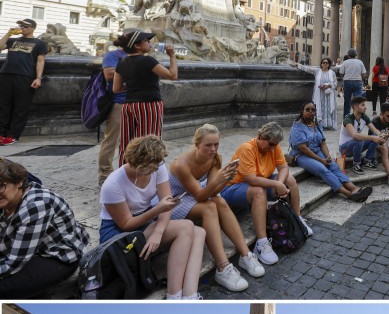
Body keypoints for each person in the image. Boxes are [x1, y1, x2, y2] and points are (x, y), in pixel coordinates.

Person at [100, 134, 205, 300]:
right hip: (117, 233)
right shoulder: (112, 185)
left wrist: (158, 232)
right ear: (141, 164)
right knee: (185, 227)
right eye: (153, 165)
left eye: (159, 163)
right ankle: (174, 295)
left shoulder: (158, 167)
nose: (157, 167)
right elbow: (126, 224)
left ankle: (190, 294)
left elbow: (167, 204)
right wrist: (157, 211)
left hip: (145, 223)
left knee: (199, 232)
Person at [168, 123, 267, 292]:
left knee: (219, 202)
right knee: (209, 208)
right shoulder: (181, 165)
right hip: (175, 201)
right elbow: (200, 196)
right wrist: (218, 179)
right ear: (197, 144)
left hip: (197, 194)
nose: (213, 149)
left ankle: (245, 255)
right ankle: (222, 267)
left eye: (216, 144)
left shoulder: (214, 158)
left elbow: (213, 193)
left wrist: (226, 179)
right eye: (208, 145)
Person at [221, 121, 312, 267]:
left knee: (290, 179)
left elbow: (283, 168)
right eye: (271, 144)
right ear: (261, 137)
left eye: (275, 145)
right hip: (233, 188)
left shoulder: (273, 146)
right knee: (259, 192)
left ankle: (297, 218)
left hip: (257, 182)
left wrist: (280, 183)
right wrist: (276, 184)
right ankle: (261, 243)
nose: (273, 148)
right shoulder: (247, 148)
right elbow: (251, 180)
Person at [0, 159, 89, 298]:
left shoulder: (35, 206)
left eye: (1, 186)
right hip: (30, 250)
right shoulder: (9, 200)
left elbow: (13, 263)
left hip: (59, 257)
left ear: (19, 182)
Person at [112, 29, 178, 166]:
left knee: (127, 142)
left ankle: (125, 174)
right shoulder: (148, 60)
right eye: (147, 41)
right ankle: (147, 176)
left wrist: (133, 86)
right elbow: (172, 75)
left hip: (128, 105)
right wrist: (172, 56)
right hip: (148, 105)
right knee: (149, 142)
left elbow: (116, 89)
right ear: (137, 45)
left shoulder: (122, 62)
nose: (150, 43)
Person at [288, 102, 371, 202]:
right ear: (302, 111)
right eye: (307, 109)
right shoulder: (297, 127)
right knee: (322, 169)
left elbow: (322, 143)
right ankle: (348, 194)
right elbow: (304, 148)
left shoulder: (317, 124)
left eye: (313, 110)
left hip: (316, 151)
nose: (310, 112)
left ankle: (354, 188)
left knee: (333, 165)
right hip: (302, 154)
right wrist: (321, 160)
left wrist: (327, 157)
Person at [0, 19, 47, 146]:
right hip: (6, 74)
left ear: (33, 28)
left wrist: (38, 78)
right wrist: (8, 34)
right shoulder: (12, 40)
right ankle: (1, 133)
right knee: (3, 106)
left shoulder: (39, 43)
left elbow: (40, 60)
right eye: (21, 25)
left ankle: (12, 135)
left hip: (25, 77)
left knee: (21, 107)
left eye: (25, 26)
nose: (22, 27)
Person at [98, 37, 129, 186]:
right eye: (145, 41)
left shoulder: (141, 57)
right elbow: (109, 75)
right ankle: (105, 175)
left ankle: (128, 171)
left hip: (136, 102)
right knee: (112, 140)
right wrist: (136, 74)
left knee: (132, 140)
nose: (149, 44)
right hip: (119, 102)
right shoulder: (113, 55)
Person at [337, 48, 368, 117]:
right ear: (356, 55)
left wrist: (343, 78)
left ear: (348, 55)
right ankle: (357, 115)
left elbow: (341, 73)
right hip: (358, 82)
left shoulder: (345, 62)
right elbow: (364, 74)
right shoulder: (360, 62)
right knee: (357, 101)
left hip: (348, 82)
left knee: (347, 101)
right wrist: (362, 80)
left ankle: (346, 116)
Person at [312, 56, 338, 129]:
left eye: (326, 63)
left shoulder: (332, 73)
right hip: (320, 94)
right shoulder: (317, 71)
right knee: (321, 108)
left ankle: (329, 125)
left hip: (329, 95)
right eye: (323, 62)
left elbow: (336, 82)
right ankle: (321, 124)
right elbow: (307, 69)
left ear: (329, 64)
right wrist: (297, 65)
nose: (325, 64)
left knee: (329, 109)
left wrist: (329, 85)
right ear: (321, 64)